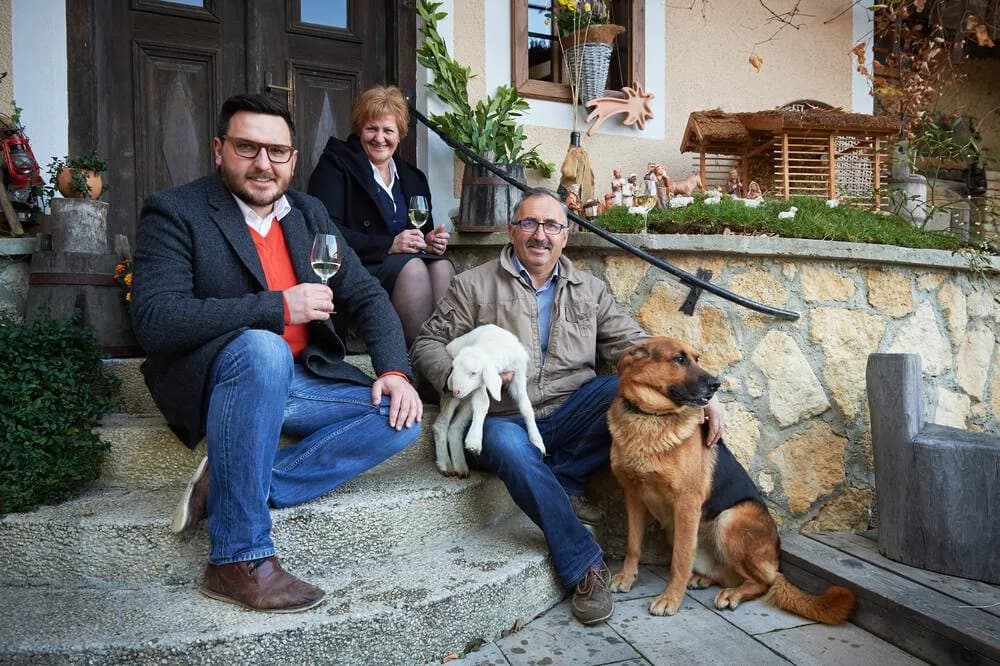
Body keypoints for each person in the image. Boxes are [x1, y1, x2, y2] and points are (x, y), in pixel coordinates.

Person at [131, 94, 422, 613]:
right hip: (220, 380)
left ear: (292, 158)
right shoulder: (176, 211)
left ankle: (232, 476)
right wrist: (276, 307)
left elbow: (369, 295)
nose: (263, 164)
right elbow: (156, 320)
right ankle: (235, 558)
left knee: (404, 418)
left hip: (297, 380)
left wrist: (395, 371)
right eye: (248, 148)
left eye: (277, 152)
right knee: (264, 349)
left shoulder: (309, 214)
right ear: (219, 150)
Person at [411, 188, 725, 626]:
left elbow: (642, 351)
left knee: (619, 388)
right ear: (512, 230)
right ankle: (584, 565)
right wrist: (456, 376)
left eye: (552, 225)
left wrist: (702, 395)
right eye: (530, 223)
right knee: (505, 444)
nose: (541, 235)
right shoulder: (473, 284)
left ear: (567, 235)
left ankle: (560, 479)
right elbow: (426, 343)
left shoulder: (589, 291)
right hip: (506, 418)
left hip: (571, 412)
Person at [307, 85, 454, 344]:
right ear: (359, 130)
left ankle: (443, 353)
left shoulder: (413, 178)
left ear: (400, 135)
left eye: (388, 130)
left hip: (401, 265)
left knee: (441, 266)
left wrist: (429, 241)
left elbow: (420, 233)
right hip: (358, 266)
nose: (379, 138)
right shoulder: (335, 166)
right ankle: (419, 359)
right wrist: (390, 244)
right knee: (414, 269)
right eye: (371, 129)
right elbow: (326, 231)